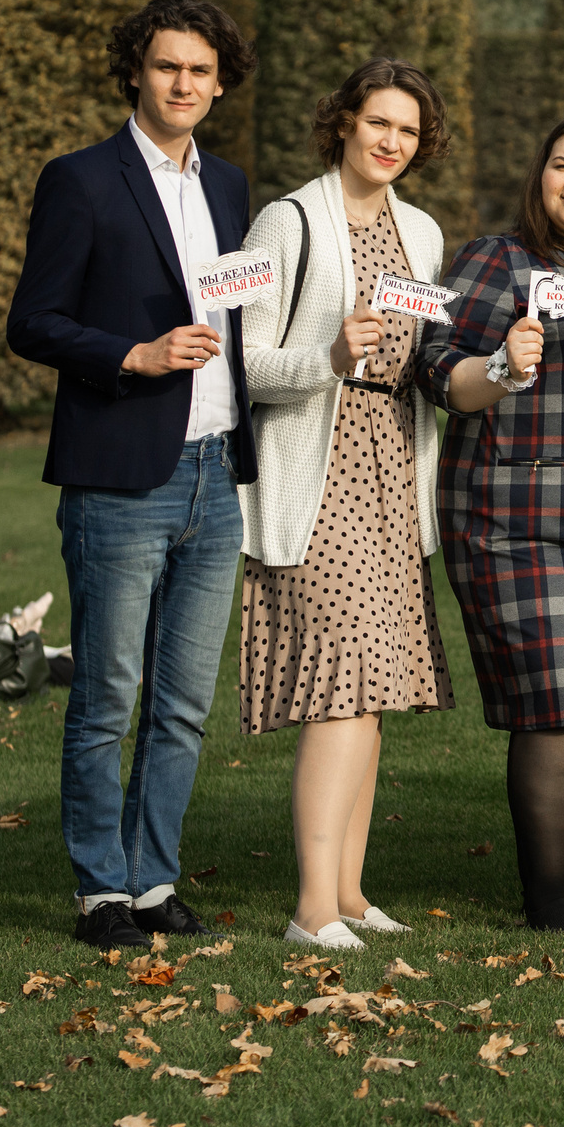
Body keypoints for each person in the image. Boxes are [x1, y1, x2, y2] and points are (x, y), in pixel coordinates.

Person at [7, 0, 258, 949]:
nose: (183, 83)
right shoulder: (81, 180)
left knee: (185, 703)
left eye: (200, 70)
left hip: (212, 475)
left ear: (219, 82)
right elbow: (32, 320)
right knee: (109, 697)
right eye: (167, 67)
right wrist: (133, 356)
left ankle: (154, 882)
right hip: (121, 477)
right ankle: (100, 891)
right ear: (136, 73)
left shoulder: (230, 186)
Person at [234, 59, 452, 951]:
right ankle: (311, 911)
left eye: (406, 129)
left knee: (370, 695)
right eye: (377, 123)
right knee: (338, 692)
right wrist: (326, 354)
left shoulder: (425, 234)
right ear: (342, 124)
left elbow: (430, 358)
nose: (391, 141)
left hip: (392, 474)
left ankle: (351, 895)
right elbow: (241, 364)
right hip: (312, 478)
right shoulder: (283, 222)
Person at [420, 111, 564, 932]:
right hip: (513, 514)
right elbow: (437, 365)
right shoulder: (498, 259)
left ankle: (553, 885)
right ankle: (547, 896)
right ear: (540, 175)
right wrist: (502, 364)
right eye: (563, 166)